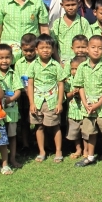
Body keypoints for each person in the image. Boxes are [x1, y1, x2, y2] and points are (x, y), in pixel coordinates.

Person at [74, 35, 102, 169]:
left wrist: (98, 104)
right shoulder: (82, 66)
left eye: (100, 48)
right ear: (87, 49)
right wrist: (85, 103)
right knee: (90, 132)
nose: (96, 50)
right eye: (93, 47)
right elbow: (80, 86)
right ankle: (90, 156)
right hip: (88, 106)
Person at [27, 34, 67, 163]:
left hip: (52, 101)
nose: (45, 50)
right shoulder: (33, 65)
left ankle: (58, 151)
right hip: (37, 102)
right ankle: (42, 151)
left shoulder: (56, 66)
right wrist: (31, 103)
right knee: (39, 127)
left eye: (48, 47)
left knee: (55, 126)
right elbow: (30, 85)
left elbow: (61, 84)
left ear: (53, 50)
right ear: (36, 50)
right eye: (42, 48)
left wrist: (59, 103)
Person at [0, 43, 22, 169]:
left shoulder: (13, 73)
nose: (4, 61)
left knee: (12, 135)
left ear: (12, 58)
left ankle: (12, 158)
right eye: (1, 58)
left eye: (7, 57)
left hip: (11, 111)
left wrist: (10, 100)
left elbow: (18, 90)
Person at [51, 0, 92, 66]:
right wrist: (59, 62)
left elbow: (89, 43)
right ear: (62, 5)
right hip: (62, 62)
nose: (70, 8)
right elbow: (53, 45)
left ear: (78, 4)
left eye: (73, 4)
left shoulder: (83, 22)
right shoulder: (57, 23)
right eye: (67, 5)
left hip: (80, 63)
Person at [14, 33, 37, 153]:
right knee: (23, 121)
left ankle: (39, 143)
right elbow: (17, 80)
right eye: (25, 50)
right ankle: (25, 144)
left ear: (36, 49)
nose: (28, 53)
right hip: (22, 96)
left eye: (31, 50)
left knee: (37, 120)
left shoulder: (39, 62)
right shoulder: (19, 63)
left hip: (37, 96)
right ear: (21, 49)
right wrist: (23, 90)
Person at [64, 56, 85, 161]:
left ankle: (86, 150)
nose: (74, 71)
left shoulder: (86, 80)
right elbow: (66, 96)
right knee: (75, 133)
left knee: (86, 133)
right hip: (73, 112)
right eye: (72, 69)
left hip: (85, 112)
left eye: (76, 69)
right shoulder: (69, 81)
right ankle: (78, 149)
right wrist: (73, 92)